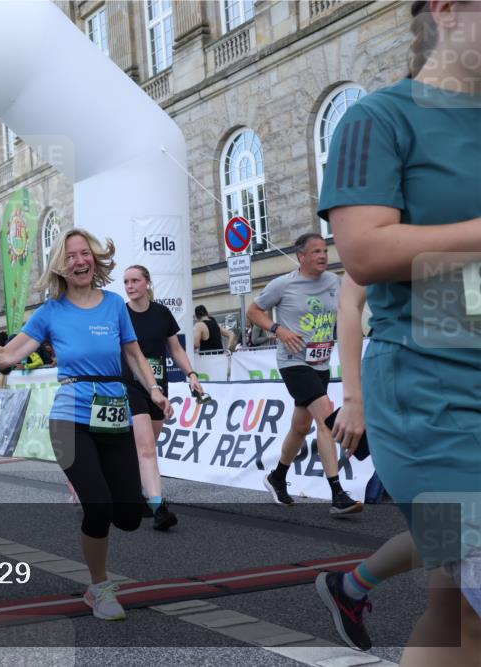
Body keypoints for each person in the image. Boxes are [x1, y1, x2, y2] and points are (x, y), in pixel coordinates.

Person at [321, 1, 481, 657]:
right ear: (447, 10)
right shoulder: (378, 117)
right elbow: (363, 258)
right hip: (432, 399)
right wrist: (352, 395)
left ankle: (350, 586)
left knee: (459, 616)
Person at [0, 229, 173, 621]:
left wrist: (154, 389)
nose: (79, 261)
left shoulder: (115, 305)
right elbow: (7, 356)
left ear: (94, 259)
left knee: (130, 517)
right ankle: (98, 586)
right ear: (61, 267)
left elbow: (134, 354)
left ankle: (100, 519)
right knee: (98, 507)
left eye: (85, 254)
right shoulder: (51, 312)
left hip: (113, 418)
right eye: (71, 256)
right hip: (70, 420)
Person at [314, 275, 421, 651]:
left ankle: (350, 587)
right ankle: (350, 587)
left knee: (453, 534)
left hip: (457, 380)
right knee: (452, 534)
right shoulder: (393, 224)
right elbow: (349, 302)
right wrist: (354, 399)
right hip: (409, 384)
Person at [247, 233, 360, 515]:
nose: (323, 256)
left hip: (320, 364)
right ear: (301, 256)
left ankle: (277, 478)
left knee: (300, 428)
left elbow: (352, 310)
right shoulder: (284, 284)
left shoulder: (335, 282)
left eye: (325, 251)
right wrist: (278, 330)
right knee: (325, 419)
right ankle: (337, 494)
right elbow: (253, 310)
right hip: (293, 363)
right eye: (316, 252)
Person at [122, 264, 207, 531]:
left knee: (147, 447)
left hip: (160, 388)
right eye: (126, 282)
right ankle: (159, 506)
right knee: (146, 449)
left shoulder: (162, 313)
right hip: (132, 386)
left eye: (135, 280)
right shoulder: (121, 314)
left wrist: (191, 374)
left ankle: (134, 491)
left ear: (147, 283)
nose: (130, 286)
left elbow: (176, 349)